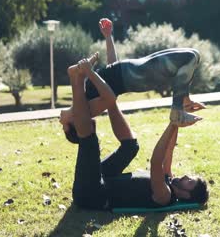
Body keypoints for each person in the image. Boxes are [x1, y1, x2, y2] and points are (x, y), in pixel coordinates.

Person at [68, 56, 209, 210]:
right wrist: (178, 116)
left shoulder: (164, 196)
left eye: (189, 182)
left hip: (90, 195)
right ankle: (111, 103)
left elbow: (156, 162)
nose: (186, 177)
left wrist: (173, 122)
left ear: (186, 195)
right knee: (131, 147)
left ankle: (78, 80)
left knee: (90, 141)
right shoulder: (168, 179)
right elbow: (169, 149)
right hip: (103, 178)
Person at [60, 18, 206, 131]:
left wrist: (108, 36)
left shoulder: (81, 100)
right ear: (72, 123)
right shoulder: (87, 111)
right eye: (63, 126)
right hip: (134, 78)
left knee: (194, 54)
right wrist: (89, 72)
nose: (59, 122)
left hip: (130, 70)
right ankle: (177, 111)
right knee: (189, 57)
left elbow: (112, 68)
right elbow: (110, 97)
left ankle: (183, 101)